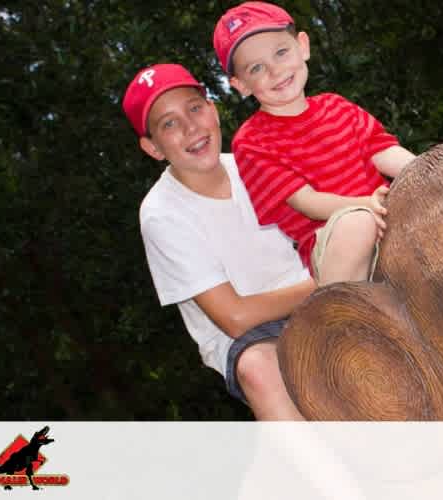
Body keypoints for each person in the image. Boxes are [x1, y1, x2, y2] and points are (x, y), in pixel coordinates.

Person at [122, 63, 312, 420]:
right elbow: (234, 317)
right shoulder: (162, 212)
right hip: (254, 335)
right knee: (259, 369)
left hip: (314, 294)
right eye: (168, 123)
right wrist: (323, 284)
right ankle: (326, 476)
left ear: (212, 109)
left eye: (194, 108)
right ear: (153, 148)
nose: (190, 127)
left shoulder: (254, 162)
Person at [213, 1, 417, 285]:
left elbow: (383, 151)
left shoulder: (337, 106)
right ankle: (338, 317)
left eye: (281, 52)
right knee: (358, 223)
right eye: (257, 68)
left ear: (303, 46)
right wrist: (366, 205)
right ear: (241, 85)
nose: (275, 71)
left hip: (386, 215)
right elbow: (307, 201)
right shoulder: (252, 141)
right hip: (335, 240)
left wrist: (426, 171)